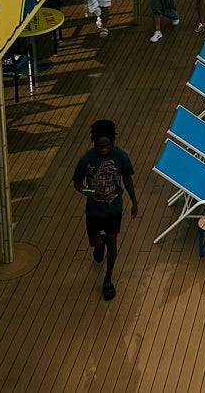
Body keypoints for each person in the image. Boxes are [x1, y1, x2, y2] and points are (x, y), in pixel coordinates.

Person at [72, 119, 138, 301]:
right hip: (93, 210)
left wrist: (134, 202)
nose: (103, 149)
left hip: (113, 209)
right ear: (94, 143)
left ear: (112, 142)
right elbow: (77, 184)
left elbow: (127, 180)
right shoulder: (86, 160)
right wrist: (90, 193)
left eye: (106, 145)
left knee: (113, 241)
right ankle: (99, 243)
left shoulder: (121, 156)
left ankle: (108, 278)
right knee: (93, 242)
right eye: (100, 146)